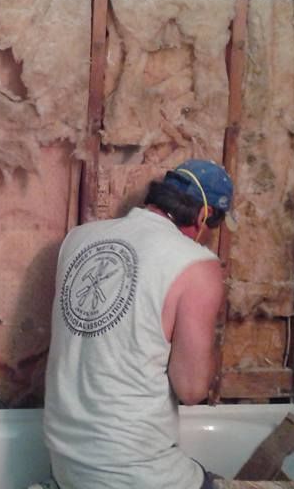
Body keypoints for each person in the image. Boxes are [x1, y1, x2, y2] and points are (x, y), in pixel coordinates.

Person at [44, 159, 235, 489]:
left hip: (67, 466)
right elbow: (191, 390)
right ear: (203, 217)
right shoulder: (196, 264)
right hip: (135, 474)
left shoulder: (76, 239)